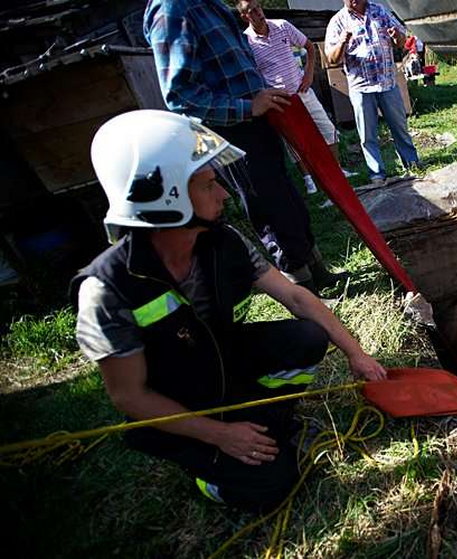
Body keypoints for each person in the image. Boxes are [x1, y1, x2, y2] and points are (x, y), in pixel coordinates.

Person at [72, 110, 387, 511]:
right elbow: (130, 396)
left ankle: (269, 421)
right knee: (271, 488)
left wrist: (356, 354)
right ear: (165, 197)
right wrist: (218, 435)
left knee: (307, 336)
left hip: (220, 363)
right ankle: (211, 479)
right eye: (207, 185)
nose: (222, 193)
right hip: (176, 402)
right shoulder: (106, 289)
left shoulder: (222, 241)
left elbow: (296, 298)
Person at [144, 0, 343, 294]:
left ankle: (318, 272)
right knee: (268, 204)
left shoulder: (210, 5)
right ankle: (304, 291)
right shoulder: (173, 9)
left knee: (287, 195)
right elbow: (180, 95)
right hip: (231, 129)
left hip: (257, 121)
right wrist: (247, 107)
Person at [238, 0, 355, 196]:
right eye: (252, 11)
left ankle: (336, 171)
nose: (259, 12)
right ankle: (309, 180)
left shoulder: (282, 26)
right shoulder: (247, 42)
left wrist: (309, 74)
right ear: (245, 16)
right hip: (280, 100)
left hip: (302, 90)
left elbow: (310, 47)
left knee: (327, 129)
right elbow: (251, 74)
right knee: (294, 142)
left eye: (259, 7)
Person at [325, 0, 423, 186]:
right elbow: (331, 58)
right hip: (361, 87)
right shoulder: (338, 21)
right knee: (368, 135)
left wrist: (398, 37)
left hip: (387, 82)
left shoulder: (380, 10)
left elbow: (402, 41)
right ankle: (377, 174)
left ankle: (412, 163)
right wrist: (342, 42)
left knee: (399, 126)